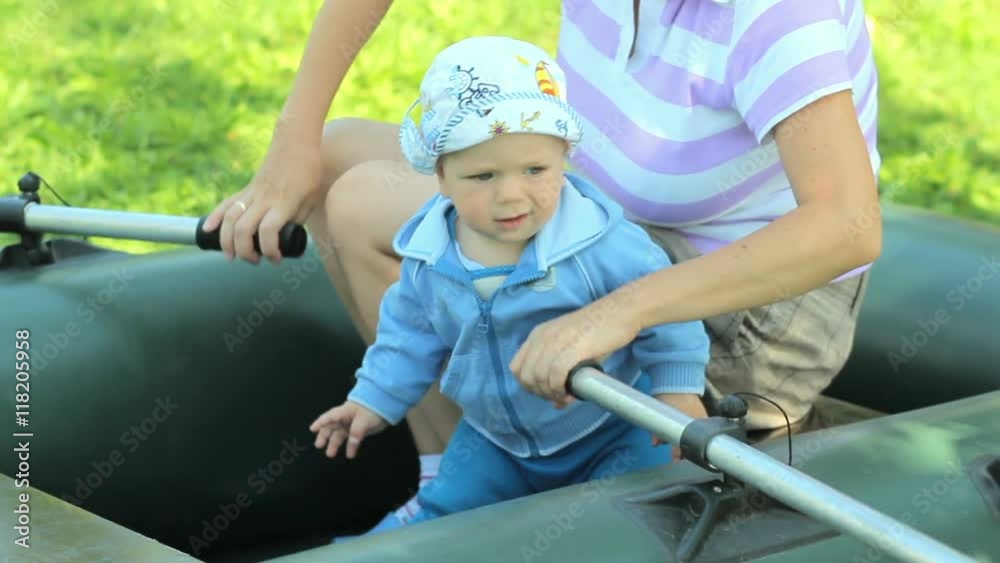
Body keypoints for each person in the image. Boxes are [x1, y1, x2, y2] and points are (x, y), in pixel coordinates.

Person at [202, 0, 881, 532]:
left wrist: (617, 312)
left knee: (359, 204)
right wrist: (294, 141)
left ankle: (506, 505)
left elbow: (847, 227)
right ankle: (450, 474)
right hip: (604, 210)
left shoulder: (778, 10)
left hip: (747, 306)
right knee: (336, 153)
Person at [307, 36, 712, 533]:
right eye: (483, 176)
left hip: (612, 429)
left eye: (535, 169)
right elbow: (407, 335)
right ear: (441, 175)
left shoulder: (599, 243)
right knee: (441, 518)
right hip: (497, 440)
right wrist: (372, 400)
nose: (511, 195)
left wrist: (677, 388)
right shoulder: (431, 255)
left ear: (564, 156)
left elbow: (666, 311)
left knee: (639, 520)